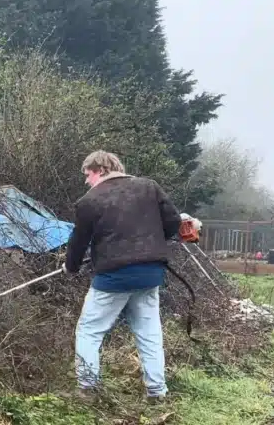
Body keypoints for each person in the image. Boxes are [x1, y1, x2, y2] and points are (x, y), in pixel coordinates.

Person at [62, 151, 183, 401]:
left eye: (87, 175)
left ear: (100, 170)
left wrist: (70, 267)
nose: (86, 181)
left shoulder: (89, 201)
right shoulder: (149, 187)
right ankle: (157, 392)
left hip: (113, 276)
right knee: (149, 332)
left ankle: (87, 388)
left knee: (89, 330)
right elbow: (173, 224)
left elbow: (78, 242)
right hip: (151, 273)